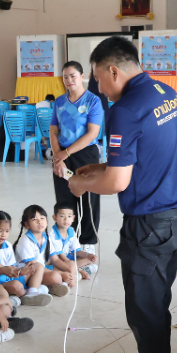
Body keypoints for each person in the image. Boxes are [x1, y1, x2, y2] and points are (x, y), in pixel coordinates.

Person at [68, 36, 177, 353]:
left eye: (97, 79)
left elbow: (117, 183)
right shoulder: (165, 92)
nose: (98, 88)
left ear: (113, 70)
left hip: (151, 226)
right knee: (154, 306)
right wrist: (98, 168)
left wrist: (81, 185)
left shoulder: (124, 109)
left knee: (146, 312)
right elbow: (146, 154)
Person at [50, 61, 104, 251]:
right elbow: (53, 131)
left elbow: (92, 133)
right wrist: (58, 158)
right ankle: (67, 242)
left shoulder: (93, 101)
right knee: (64, 199)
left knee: (88, 200)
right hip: (63, 157)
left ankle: (88, 243)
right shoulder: (59, 102)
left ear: (82, 76)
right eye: (65, 77)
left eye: (73, 76)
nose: (69, 80)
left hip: (85, 156)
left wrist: (64, 153)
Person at [0, 211, 52, 306]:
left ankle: (32, 291)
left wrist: (20, 271)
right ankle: (25, 295)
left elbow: (12, 268)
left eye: (7, 231)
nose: (4, 235)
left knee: (38, 266)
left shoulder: (7, 245)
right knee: (16, 286)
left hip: (10, 278)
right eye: (0, 230)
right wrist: (2, 271)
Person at [13, 204, 70, 296]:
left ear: (47, 221)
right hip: (28, 274)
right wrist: (61, 273)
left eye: (42, 218)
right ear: (26, 224)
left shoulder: (46, 238)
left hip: (42, 269)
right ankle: (34, 290)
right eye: (34, 219)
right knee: (56, 277)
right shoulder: (25, 241)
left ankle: (57, 284)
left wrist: (69, 272)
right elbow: (33, 266)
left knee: (70, 265)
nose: (39, 222)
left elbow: (55, 259)